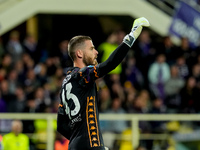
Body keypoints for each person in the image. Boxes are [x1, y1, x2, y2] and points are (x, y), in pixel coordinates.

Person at [57, 17, 150, 150]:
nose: (96, 52)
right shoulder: (82, 74)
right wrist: (131, 36)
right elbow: (109, 65)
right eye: (91, 48)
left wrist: (79, 139)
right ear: (79, 53)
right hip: (91, 144)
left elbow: (61, 126)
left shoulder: (66, 82)